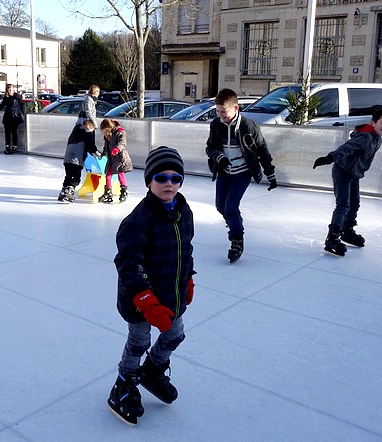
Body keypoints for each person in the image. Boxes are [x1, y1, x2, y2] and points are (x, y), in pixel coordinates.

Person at [107, 146, 195, 426]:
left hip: (172, 292)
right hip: (140, 300)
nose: (169, 184)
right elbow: (129, 265)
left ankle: (153, 369)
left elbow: (186, 249)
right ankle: (125, 381)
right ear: (148, 181)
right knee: (139, 341)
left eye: (175, 178)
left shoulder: (184, 211)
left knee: (175, 335)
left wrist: (189, 277)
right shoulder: (137, 221)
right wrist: (146, 301)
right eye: (161, 178)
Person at [205, 88, 277, 264]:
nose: (220, 115)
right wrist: (219, 157)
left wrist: (270, 174)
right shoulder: (216, 125)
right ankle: (235, 222)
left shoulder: (249, 126)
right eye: (217, 111)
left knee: (230, 208)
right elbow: (210, 147)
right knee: (221, 207)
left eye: (223, 112)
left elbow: (262, 151)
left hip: (242, 173)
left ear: (236, 108)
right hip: (224, 171)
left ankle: (236, 240)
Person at [312, 107, 382, 257]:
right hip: (342, 171)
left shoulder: (377, 139)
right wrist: (330, 157)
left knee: (354, 204)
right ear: (373, 123)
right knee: (343, 205)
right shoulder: (366, 137)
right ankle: (332, 238)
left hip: (354, 174)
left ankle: (347, 231)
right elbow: (347, 148)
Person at [58, 119, 99, 203]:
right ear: (88, 127)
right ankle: (69, 193)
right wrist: (97, 152)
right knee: (76, 178)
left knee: (68, 176)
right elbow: (90, 144)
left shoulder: (75, 131)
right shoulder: (86, 133)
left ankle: (63, 192)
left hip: (67, 160)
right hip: (76, 160)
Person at [98, 119, 133, 204]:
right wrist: (103, 154)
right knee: (108, 175)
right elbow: (106, 146)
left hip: (120, 158)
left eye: (106, 130)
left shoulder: (120, 133)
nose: (105, 132)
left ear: (110, 127)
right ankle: (108, 193)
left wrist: (117, 149)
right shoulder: (107, 135)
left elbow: (122, 143)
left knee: (120, 175)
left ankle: (124, 192)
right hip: (111, 159)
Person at [0, 83, 25, 154]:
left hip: (15, 117)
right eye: (8, 90)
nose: (9, 91)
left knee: (14, 132)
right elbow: (2, 105)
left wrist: (22, 112)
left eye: (10, 89)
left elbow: (22, 104)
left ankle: (14, 146)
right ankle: (7, 147)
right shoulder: (6, 98)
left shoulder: (17, 97)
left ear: (13, 89)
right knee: (7, 133)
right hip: (7, 117)